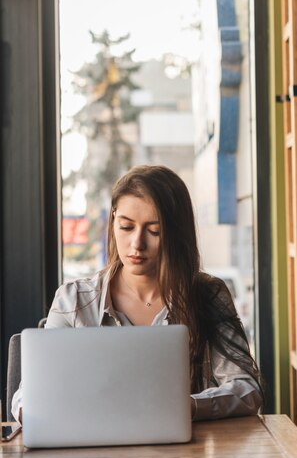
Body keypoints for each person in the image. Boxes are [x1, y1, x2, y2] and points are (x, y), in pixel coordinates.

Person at [12, 165, 263, 422]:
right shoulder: (73, 300)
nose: (137, 244)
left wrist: (187, 407)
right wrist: (31, 411)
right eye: (126, 227)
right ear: (113, 222)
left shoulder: (207, 295)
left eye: (154, 231)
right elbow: (26, 396)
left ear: (176, 235)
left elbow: (246, 390)